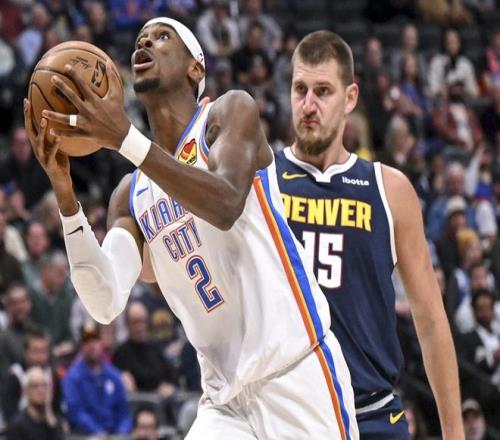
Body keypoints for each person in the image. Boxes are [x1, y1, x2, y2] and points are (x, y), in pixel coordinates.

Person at [25, 17, 358, 439]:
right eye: (141, 39)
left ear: (195, 67)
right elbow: (104, 302)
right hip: (223, 401)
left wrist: (126, 138)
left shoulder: (228, 114)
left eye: (162, 37)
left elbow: (225, 203)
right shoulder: (131, 193)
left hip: (295, 373)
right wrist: (64, 194)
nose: (145, 43)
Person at [274, 30, 464, 439]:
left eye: (323, 91)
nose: (308, 104)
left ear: (350, 98)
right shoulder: (261, 181)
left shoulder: (388, 189)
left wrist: (454, 432)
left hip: (372, 414)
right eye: (300, 90)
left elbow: (431, 318)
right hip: (283, 417)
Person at [62, 322, 132, 436]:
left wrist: (121, 433)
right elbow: (76, 412)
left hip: (114, 435)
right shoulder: (73, 377)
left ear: (101, 343)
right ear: (81, 346)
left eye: (95, 340)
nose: (92, 346)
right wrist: (96, 432)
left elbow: (124, 412)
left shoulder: (113, 374)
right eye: (87, 342)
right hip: (86, 436)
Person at [6, 366, 64, 440]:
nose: (41, 390)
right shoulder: (17, 425)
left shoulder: (54, 421)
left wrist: (49, 412)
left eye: (44, 385)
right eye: (35, 386)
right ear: (26, 391)